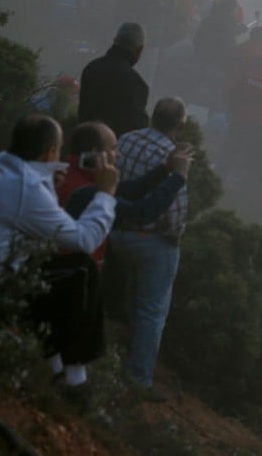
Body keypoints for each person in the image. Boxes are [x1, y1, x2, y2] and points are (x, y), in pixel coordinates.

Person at [0, 115, 118, 400]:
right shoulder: (27, 187)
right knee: (81, 270)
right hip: (2, 279)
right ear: (50, 152)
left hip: (8, 265)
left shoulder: (3, 164)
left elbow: (31, 223)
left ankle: (56, 366)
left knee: (53, 268)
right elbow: (83, 240)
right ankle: (75, 381)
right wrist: (107, 194)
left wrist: (47, 182)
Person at [110, 98, 189, 397]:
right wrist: (174, 237)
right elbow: (175, 214)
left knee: (130, 298)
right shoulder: (174, 157)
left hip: (113, 230)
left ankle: (115, 353)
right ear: (180, 126)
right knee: (152, 310)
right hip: (149, 240)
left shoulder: (127, 138)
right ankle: (139, 377)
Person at [57, 122, 189, 268]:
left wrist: (165, 169)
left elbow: (127, 190)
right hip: (75, 272)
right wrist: (178, 177)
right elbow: (141, 212)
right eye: (113, 149)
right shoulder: (85, 190)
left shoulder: (69, 175)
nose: (118, 155)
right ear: (96, 152)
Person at [78, 22, 149, 137]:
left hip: (85, 140)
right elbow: (137, 129)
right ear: (140, 50)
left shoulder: (91, 68)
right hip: (113, 150)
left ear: (115, 40)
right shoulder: (137, 83)